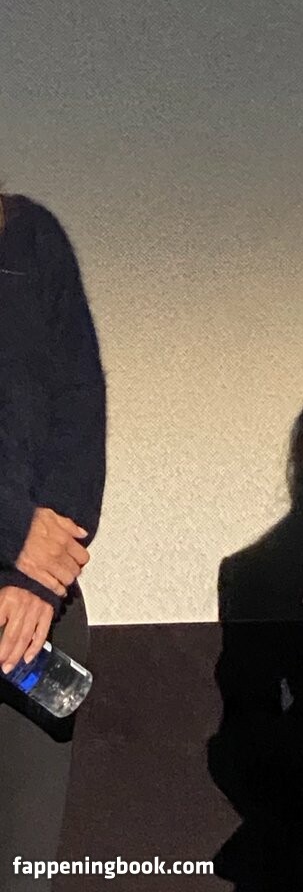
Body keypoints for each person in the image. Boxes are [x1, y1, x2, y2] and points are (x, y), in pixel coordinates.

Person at [0, 193, 104, 891]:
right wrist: (17, 537)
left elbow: (79, 408)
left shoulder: (29, 238)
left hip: (27, 617)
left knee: (23, 869)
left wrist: (37, 574)